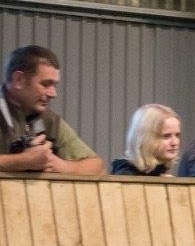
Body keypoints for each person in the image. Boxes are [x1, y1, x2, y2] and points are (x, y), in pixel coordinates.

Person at [0, 45, 103, 175]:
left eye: (54, 85)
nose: (53, 94)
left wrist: (60, 165)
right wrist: (21, 161)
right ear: (18, 80)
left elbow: (98, 166)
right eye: (45, 84)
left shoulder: (49, 120)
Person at [111, 104, 181, 176]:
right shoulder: (126, 176)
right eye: (166, 136)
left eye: (177, 135)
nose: (174, 143)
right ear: (147, 139)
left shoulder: (161, 173)